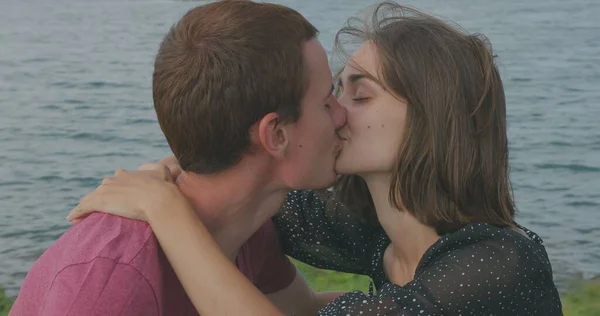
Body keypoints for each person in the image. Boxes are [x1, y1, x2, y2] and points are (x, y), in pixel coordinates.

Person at [67, 2, 564, 316]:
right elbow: (244, 182)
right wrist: (173, 171)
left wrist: (166, 212)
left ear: (432, 120)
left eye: (358, 96)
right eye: (331, 93)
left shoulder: (497, 266)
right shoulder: (373, 227)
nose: (334, 114)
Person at [10, 2, 347, 315]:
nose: (342, 116)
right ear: (276, 135)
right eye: (327, 100)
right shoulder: (110, 285)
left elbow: (306, 308)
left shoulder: (248, 226)